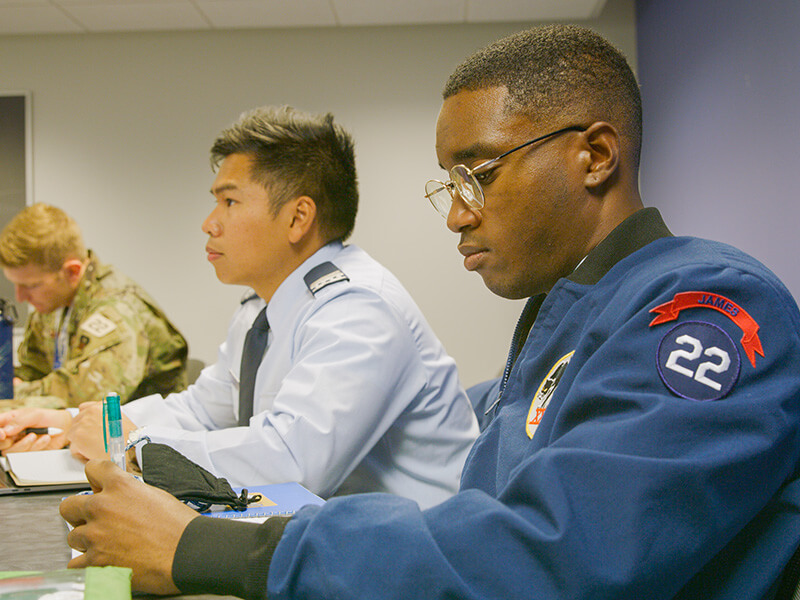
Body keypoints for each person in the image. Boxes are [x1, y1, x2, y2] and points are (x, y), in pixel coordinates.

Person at [59, 25, 800, 599]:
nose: (455, 217)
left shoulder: (707, 309)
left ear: (595, 155)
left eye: (475, 176)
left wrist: (204, 548)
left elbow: (552, 554)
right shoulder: (574, 311)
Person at [3, 106, 479, 508]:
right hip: (322, 535)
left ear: (298, 218)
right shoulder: (261, 310)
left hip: (407, 562)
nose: (210, 223)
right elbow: (204, 410)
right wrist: (76, 422)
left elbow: (293, 463)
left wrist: (131, 447)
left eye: (229, 202)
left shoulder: (358, 308)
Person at [0, 203, 188, 416]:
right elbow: (32, 372)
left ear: (72, 272)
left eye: (31, 285)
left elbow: (84, 400)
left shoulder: (117, 310)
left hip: (141, 440)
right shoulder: (52, 305)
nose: (20, 297)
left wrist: (13, 393)